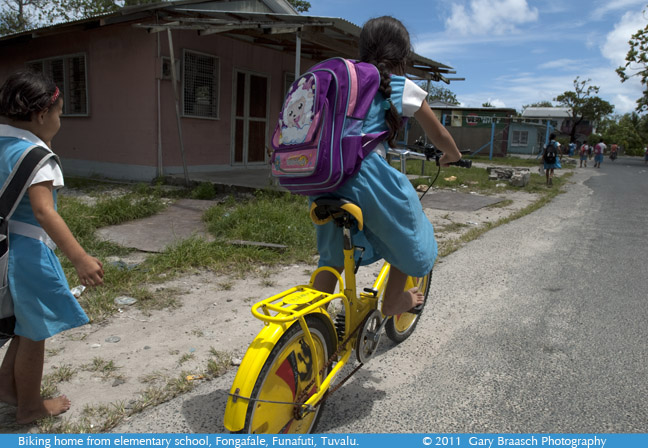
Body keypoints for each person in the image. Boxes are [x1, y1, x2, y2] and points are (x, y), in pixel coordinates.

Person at [311, 16, 462, 316]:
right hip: (364, 177)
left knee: (332, 258)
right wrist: (453, 155)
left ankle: (312, 320)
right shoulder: (399, 85)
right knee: (408, 231)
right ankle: (394, 301)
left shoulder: (343, 79)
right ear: (402, 56)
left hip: (324, 178)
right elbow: (439, 135)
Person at [0, 70, 104, 424]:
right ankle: (29, 407)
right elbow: (44, 212)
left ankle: (6, 389)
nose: (59, 121)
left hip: (4, 249)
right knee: (34, 333)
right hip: (28, 255)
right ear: (42, 115)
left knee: (21, 325)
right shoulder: (36, 155)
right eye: (59, 114)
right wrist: (81, 259)